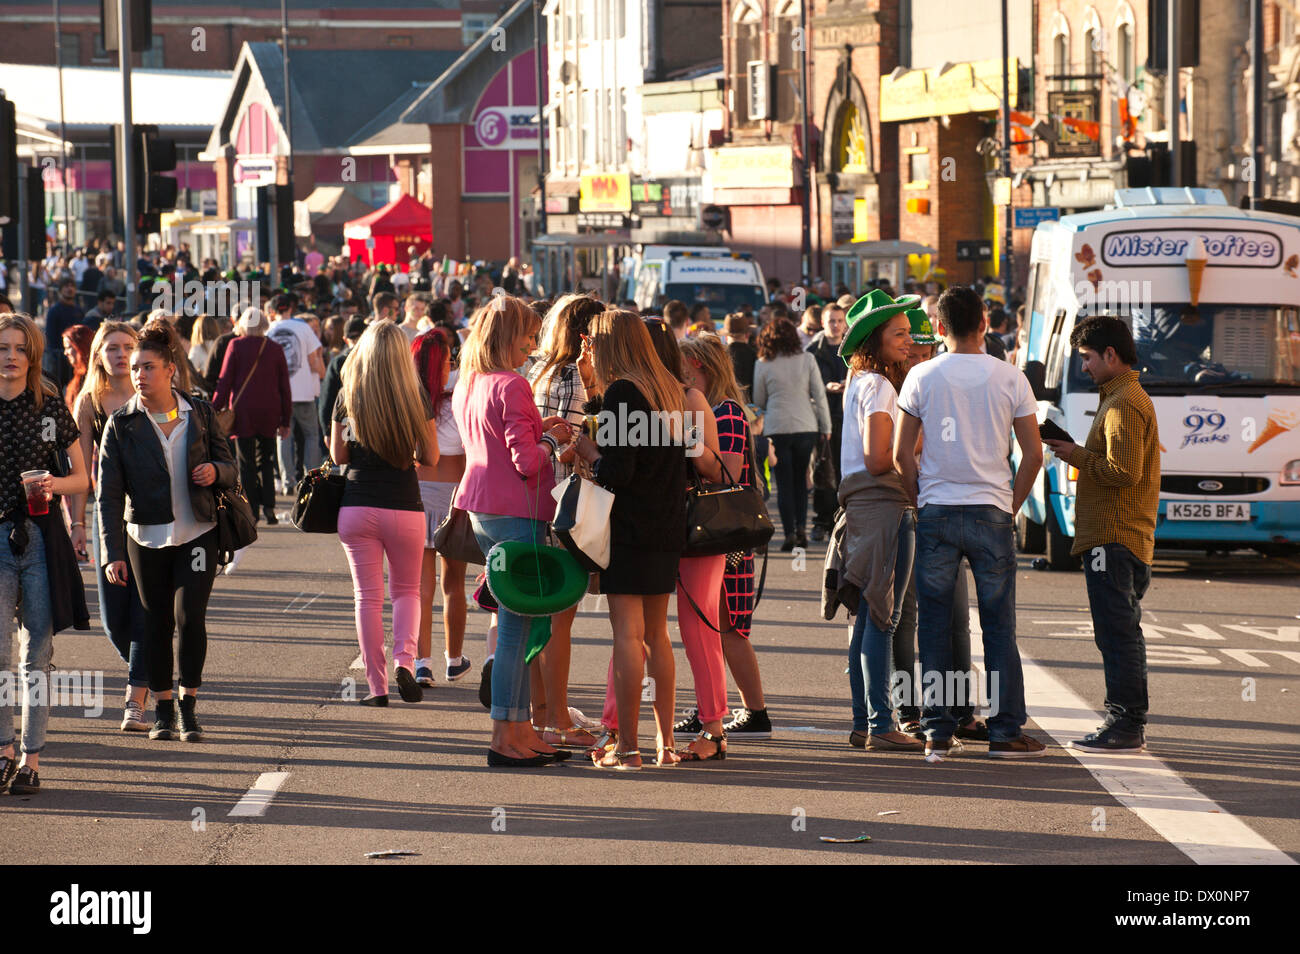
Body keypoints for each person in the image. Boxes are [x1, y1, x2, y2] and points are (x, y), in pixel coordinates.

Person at [894, 286, 1046, 759]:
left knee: (935, 626)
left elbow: (902, 455)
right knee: (1000, 626)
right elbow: (1033, 455)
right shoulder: (1011, 378)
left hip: (937, 508)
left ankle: (937, 730)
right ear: (985, 323)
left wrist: (920, 501)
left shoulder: (920, 376)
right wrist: (1011, 505)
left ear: (938, 328)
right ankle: (1005, 732)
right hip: (992, 510)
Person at [97, 320, 236, 744]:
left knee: (189, 617)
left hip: (198, 531)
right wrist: (111, 552)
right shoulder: (122, 425)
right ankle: (161, 710)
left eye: (148, 367)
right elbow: (108, 495)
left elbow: (232, 467)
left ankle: (188, 707)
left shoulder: (200, 412)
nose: (139, 374)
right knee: (155, 624)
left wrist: (216, 471)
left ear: (170, 369)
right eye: (136, 368)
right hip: (147, 537)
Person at [453, 295, 573, 766]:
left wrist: (537, 428)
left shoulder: (471, 381)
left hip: (483, 506)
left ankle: (518, 730)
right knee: (517, 627)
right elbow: (526, 462)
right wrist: (552, 437)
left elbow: (494, 441)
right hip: (518, 510)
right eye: (527, 336)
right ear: (509, 338)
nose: (532, 345)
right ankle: (506, 734)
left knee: (515, 623)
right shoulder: (513, 384)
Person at [571, 310, 688, 770]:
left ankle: (629, 748)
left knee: (627, 636)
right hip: (666, 525)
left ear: (612, 345)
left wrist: (586, 449)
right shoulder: (668, 390)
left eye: (594, 342)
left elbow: (617, 471)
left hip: (631, 526)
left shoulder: (625, 392)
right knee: (658, 636)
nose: (591, 350)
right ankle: (665, 745)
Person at [1046, 317, 1160, 753]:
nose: (1086, 367)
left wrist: (1075, 454)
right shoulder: (1120, 397)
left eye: (1088, 358)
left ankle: (1125, 723)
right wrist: (1080, 453)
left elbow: (1124, 473)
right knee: (1119, 632)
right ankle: (1123, 719)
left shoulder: (1123, 404)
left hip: (1115, 538)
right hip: (1118, 537)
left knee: (1117, 634)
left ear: (1110, 355)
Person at [0, 313, 90, 796]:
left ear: (32, 356)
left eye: (20, 348)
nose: (10, 356)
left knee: (37, 653)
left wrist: (54, 484)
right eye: (2, 348)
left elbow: (82, 477)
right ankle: (3, 752)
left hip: (39, 539)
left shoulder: (49, 407)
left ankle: (31, 759)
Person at [330, 321, 438, 707]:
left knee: (367, 598)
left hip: (357, 506)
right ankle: (405, 662)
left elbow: (337, 457)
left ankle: (377, 688)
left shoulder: (349, 395)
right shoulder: (415, 397)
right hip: (405, 506)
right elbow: (430, 457)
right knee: (408, 591)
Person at [835, 291, 923, 751]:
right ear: (876, 339)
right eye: (900, 334)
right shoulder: (881, 387)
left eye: (909, 333)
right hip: (883, 505)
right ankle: (881, 723)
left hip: (864, 507)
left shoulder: (863, 381)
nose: (909, 342)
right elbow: (876, 458)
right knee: (882, 617)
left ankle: (863, 721)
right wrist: (914, 450)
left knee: (870, 615)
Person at [678, 333, 775, 744]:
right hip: (717, 531)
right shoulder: (717, 409)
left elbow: (727, 471)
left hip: (725, 532)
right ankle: (715, 707)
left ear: (698, 364)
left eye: (681, 365)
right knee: (714, 627)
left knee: (728, 627)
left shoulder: (727, 412)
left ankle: (754, 711)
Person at [525, 294, 605, 747]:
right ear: (586, 335)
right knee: (560, 617)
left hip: (537, 498)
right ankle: (557, 718)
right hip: (564, 503)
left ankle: (542, 711)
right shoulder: (575, 377)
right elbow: (573, 441)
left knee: (541, 613)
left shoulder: (541, 370)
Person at [69, 321, 153, 731]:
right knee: (113, 619)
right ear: (99, 354)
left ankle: (135, 699)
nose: (121, 354)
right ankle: (150, 666)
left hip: (152, 519)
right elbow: (80, 472)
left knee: (142, 612)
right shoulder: (88, 402)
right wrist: (76, 524)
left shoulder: (151, 395)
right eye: (112, 348)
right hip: (108, 517)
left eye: (128, 346)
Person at [411, 325, 471, 687]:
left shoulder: (407, 394)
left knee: (421, 587)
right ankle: (454, 658)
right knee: (454, 584)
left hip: (416, 492)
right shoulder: (461, 393)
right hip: (455, 494)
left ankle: (422, 663)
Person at [752, 317, 831, 551]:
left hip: (777, 427)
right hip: (805, 425)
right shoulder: (807, 359)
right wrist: (826, 427)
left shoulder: (763, 363)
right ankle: (801, 530)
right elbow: (819, 394)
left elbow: (759, 400)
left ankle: (788, 534)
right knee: (801, 481)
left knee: (784, 483)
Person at [213, 307, 293, 523]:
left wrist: (213, 408)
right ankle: (269, 507)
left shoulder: (235, 345)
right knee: (267, 459)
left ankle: (252, 509)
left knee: (246, 462)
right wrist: (286, 419)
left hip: (243, 412)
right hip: (270, 411)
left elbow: (225, 381)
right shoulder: (275, 348)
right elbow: (284, 386)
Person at [267, 298, 325, 493]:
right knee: (311, 435)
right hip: (304, 392)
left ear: (272, 311)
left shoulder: (269, 331)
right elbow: (313, 360)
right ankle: (312, 479)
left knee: (283, 437)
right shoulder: (303, 328)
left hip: (279, 394)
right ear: (291, 308)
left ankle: (287, 482)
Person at [807, 301, 848, 541]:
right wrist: (824, 387)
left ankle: (843, 518)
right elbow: (807, 387)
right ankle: (822, 520)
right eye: (831, 321)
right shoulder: (814, 351)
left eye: (840, 321)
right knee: (822, 468)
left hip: (847, 416)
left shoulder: (852, 350)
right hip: (823, 417)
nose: (836, 325)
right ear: (823, 323)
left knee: (845, 470)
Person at [43, 278, 86, 390]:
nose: (69, 289)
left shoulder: (79, 310)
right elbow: (50, 336)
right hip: (59, 360)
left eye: (72, 286)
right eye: (66, 286)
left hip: (77, 359)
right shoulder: (54, 311)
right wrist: (56, 355)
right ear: (60, 290)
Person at [62, 324, 95, 409]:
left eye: (68, 347)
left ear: (80, 347)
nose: (65, 353)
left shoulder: (95, 378)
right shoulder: (77, 377)